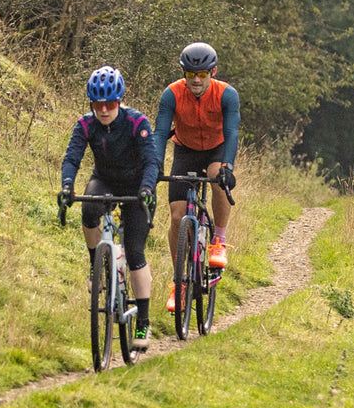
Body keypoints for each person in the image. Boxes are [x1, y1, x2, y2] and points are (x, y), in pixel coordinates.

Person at [58, 65, 160, 350]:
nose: (104, 110)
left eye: (111, 104)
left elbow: (152, 161)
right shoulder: (86, 124)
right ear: (92, 104)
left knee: (135, 251)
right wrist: (67, 186)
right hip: (104, 180)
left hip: (137, 187)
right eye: (98, 104)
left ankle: (143, 323)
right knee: (89, 208)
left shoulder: (137, 122)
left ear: (120, 101)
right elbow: (71, 158)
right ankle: (95, 263)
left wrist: (148, 188)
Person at [152, 41, 239, 313]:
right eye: (191, 74)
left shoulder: (227, 94)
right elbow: (159, 133)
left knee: (216, 177)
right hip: (185, 149)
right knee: (177, 215)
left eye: (202, 75)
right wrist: (154, 165)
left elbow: (233, 132)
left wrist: (228, 166)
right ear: (183, 73)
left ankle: (218, 242)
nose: (197, 80)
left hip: (217, 148)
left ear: (213, 72)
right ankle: (179, 282)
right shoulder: (172, 95)